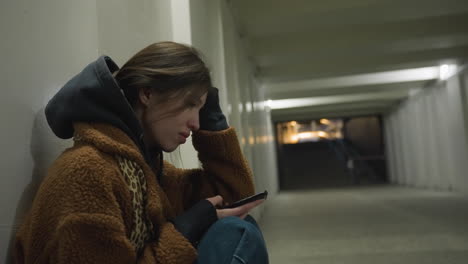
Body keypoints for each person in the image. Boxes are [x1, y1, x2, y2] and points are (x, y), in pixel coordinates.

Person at [14, 41, 269, 264]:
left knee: (238, 229)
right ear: (147, 93)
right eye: (190, 104)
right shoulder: (87, 172)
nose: (196, 123)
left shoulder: (149, 176)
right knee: (234, 233)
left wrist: (212, 115)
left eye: (200, 110)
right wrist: (184, 231)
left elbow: (235, 197)